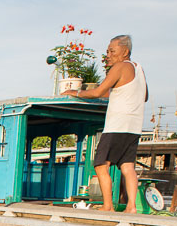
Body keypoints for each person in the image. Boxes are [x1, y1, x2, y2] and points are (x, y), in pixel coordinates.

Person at [63, 34, 148, 213]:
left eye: (112, 51)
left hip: (117, 124)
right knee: (127, 166)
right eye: (107, 51)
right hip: (134, 126)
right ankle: (131, 206)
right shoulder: (138, 68)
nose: (107, 55)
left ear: (125, 51)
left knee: (101, 164)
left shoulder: (120, 67)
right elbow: (144, 96)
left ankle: (107, 205)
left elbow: (98, 91)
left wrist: (74, 92)